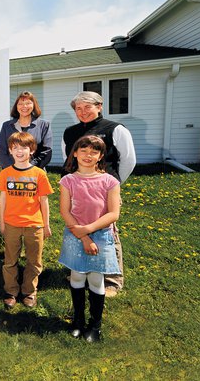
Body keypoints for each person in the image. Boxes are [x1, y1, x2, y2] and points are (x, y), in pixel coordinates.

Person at [62, 91, 136, 296]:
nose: (83, 112)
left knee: (108, 232)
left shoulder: (115, 129)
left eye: (87, 107)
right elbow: (66, 158)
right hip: (76, 189)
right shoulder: (70, 132)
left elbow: (128, 160)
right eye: (78, 108)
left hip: (104, 191)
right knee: (76, 226)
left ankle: (112, 279)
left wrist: (114, 184)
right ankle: (77, 267)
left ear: (99, 106)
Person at [59, 135, 121, 342]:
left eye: (94, 151)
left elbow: (113, 214)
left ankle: (95, 325)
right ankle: (78, 320)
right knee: (77, 276)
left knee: (96, 278)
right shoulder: (67, 181)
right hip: (75, 233)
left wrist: (90, 229)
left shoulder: (110, 181)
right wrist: (84, 236)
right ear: (74, 153)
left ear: (101, 156)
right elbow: (65, 211)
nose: (88, 155)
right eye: (83, 151)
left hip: (101, 234)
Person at [0, 132, 53, 309]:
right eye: (15, 148)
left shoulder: (39, 174)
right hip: (12, 223)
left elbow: (44, 201)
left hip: (34, 225)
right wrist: (2, 222)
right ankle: (11, 291)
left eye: (24, 148)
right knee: (10, 260)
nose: (19, 151)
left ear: (32, 150)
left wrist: (46, 224)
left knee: (34, 261)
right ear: (10, 151)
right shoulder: (6, 173)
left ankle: (29, 292)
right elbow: (3, 199)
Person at [0, 91, 53, 169]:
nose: (24, 106)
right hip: (10, 173)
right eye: (20, 104)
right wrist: (14, 169)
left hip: (35, 172)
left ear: (34, 105)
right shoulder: (6, 126)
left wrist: (28, 168)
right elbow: (2, 151)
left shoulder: (44, 125)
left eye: (28, 103)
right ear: (16, 106)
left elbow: (46, 152)